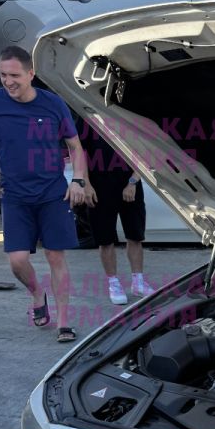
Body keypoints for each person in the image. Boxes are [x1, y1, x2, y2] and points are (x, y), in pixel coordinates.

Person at [0, 45, 89, 342]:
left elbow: (75, 147)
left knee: (55, 256)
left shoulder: (53, 104)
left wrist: (78, 181)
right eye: (3, 75)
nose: (8, 81)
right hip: (14, 196)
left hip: (52, 194)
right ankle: (37, 293)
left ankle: (63, 323)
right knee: (17, 261)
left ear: (31, 74)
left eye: (14, 75)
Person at [77, 120, 154, 305]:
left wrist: (133, 181)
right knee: (105, 240)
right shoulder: (88, 118)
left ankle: (138, 283)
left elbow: (146, 152)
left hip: (130, 184)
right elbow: (78, 152)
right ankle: (113, 284)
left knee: (135, 236)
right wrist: (86, 184)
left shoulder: (127, 116)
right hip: (99, 186)